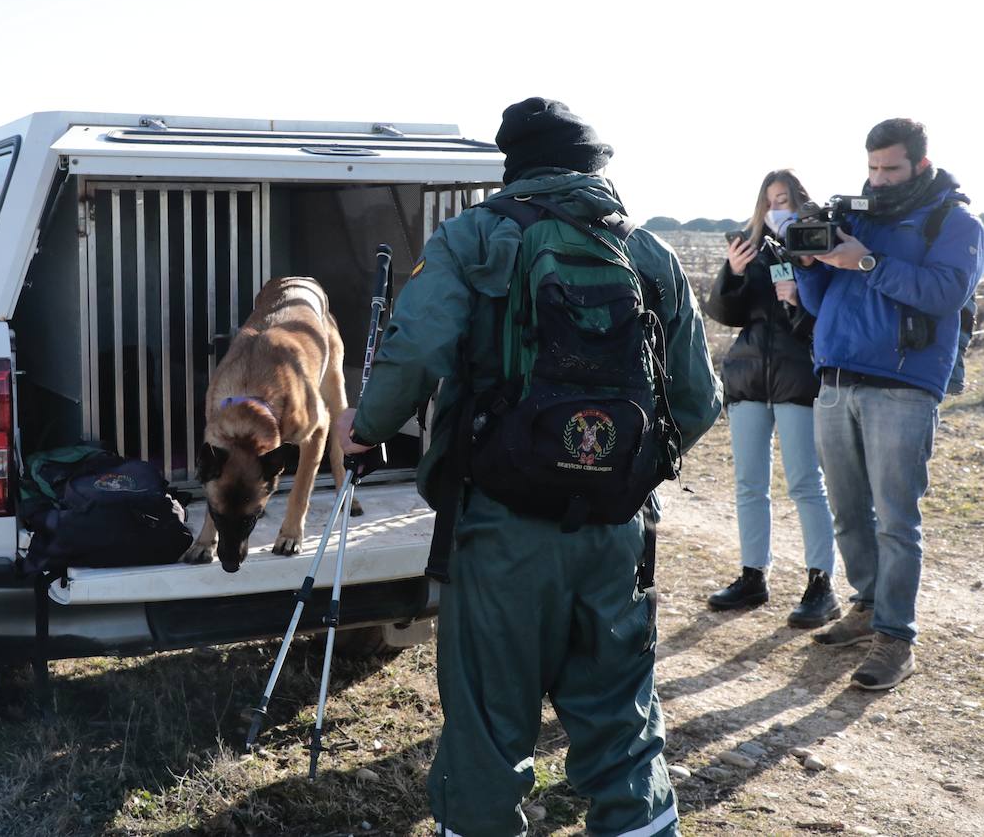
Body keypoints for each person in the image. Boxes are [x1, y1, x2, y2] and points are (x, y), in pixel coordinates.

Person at [334, 98, 721, 837]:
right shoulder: (648, 252)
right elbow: (699, 401)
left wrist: (368, 426)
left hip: (501, 528)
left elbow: (417, 351)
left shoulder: (474, 238)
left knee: (487, 725)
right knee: (623, 725)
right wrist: (622, 474)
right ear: (595, 169)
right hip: (617, 535)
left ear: (513, 166)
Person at [794, 117, 984, 690]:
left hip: (903, 385)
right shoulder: (854, 215)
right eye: (871, 167)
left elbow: (948, 293)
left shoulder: (954, 221)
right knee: (849, 512)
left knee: (897, 520)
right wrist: (812, 264)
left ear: (920, 165)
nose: (877, 178)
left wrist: (868, 261)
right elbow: (818, 298)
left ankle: (896, 638)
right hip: (835, 377)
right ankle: (866, 604)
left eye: (890, 168)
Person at [702, 170, 840, 627]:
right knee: (748, 484)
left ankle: (821, 584)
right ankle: (752, 576)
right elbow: (725, 313)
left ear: (802, 201)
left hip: (797, 375)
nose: (776, 207)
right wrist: (733, 272)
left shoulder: (820, 249)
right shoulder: (753, 247)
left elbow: (825, 321)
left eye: (785, 198)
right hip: (748, 377)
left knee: (805, 482)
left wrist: (800, 298)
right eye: (769, 200)